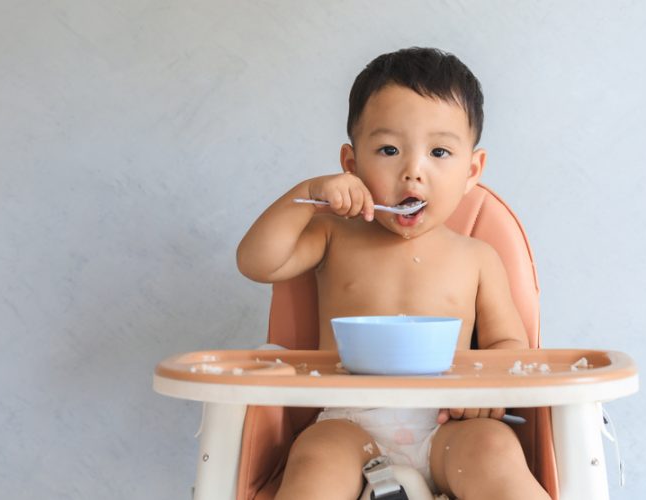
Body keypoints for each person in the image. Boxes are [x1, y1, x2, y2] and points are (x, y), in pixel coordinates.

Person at [236, 48, 550, 500]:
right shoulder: (332, 234)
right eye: (388, 150)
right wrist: (307, 196)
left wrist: (485, 393)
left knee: (494, 449)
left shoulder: (478, 257)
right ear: (351, 165)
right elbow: (256, 262)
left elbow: (509, 347)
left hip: (447, 427)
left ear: (471, 171)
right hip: (348, 422)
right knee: (316, 457)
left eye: (439, 151)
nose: (412, 172)